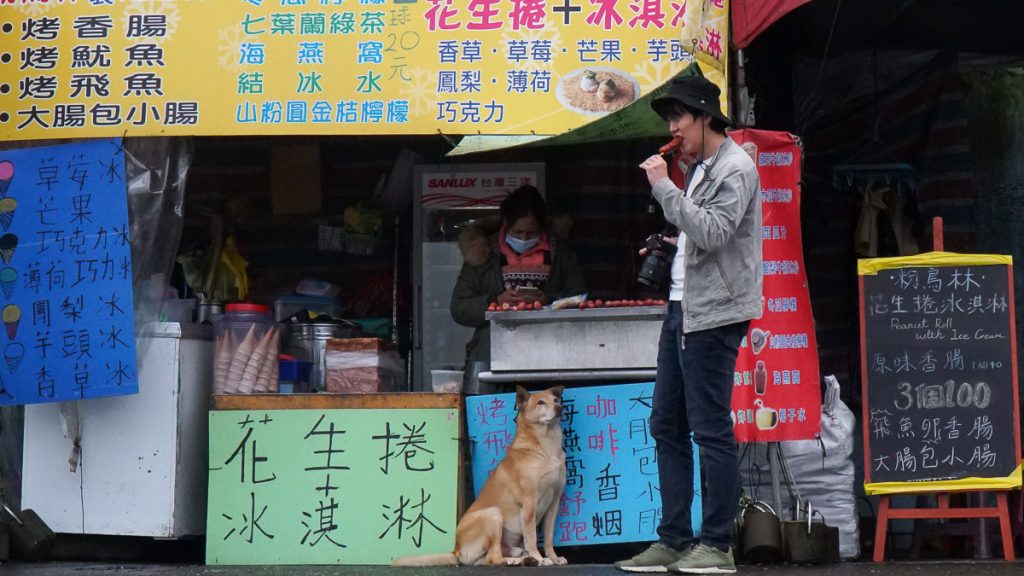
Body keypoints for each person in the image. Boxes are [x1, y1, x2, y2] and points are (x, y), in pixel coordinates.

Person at [615, 76, 762, 574]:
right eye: (669, 121)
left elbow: (716, 232)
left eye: (678, 118)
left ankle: (717, 544)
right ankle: (674, 539)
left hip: (714, 315)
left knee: (711, 429)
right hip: (682, 308)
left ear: (704, 117)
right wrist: (670, 248)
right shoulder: (699, 168)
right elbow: (698, 236)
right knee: (666, 425)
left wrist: (662, 188)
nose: (673, 128)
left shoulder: (736, 167)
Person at [450, 184, 586, 366]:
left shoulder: (562, 254)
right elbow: (460, 307)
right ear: (505, 223)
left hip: (550, 352)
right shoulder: (481, 253)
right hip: (493, 354)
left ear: (542, 226)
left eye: (531, 233)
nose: (523, 239)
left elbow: (580, 298)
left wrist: (549, 301)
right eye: (517, 232)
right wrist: (495, 301)